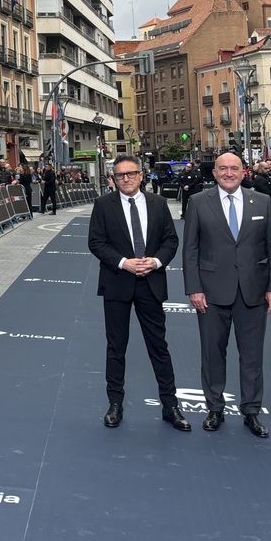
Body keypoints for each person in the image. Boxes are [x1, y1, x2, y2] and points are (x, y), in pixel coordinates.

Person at [182, 151, 271, 438]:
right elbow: (190, 250)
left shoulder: (262, 202)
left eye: (234, 168)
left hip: (254, 292)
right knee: (212, 354)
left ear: (244, 172)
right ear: (214, 173)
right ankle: (214, 408)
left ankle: (251, 412)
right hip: (211, 294)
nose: (228, 173)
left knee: (252, 356)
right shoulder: (199, 202)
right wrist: (194, 288)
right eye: (222, 168)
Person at [88, 155, 189, 432]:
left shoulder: (158, 204)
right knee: (116, 347)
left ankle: (170, 406)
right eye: (120, 175)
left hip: (151, 282)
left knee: (159, 347)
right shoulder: (102, 205)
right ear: (113, 179)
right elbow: (96, 242)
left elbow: (171, 239)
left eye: (131, 173)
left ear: (141, 175)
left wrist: (155, 262)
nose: (126, 179)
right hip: (118, 282)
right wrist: (124, 262)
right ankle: (115, 404)